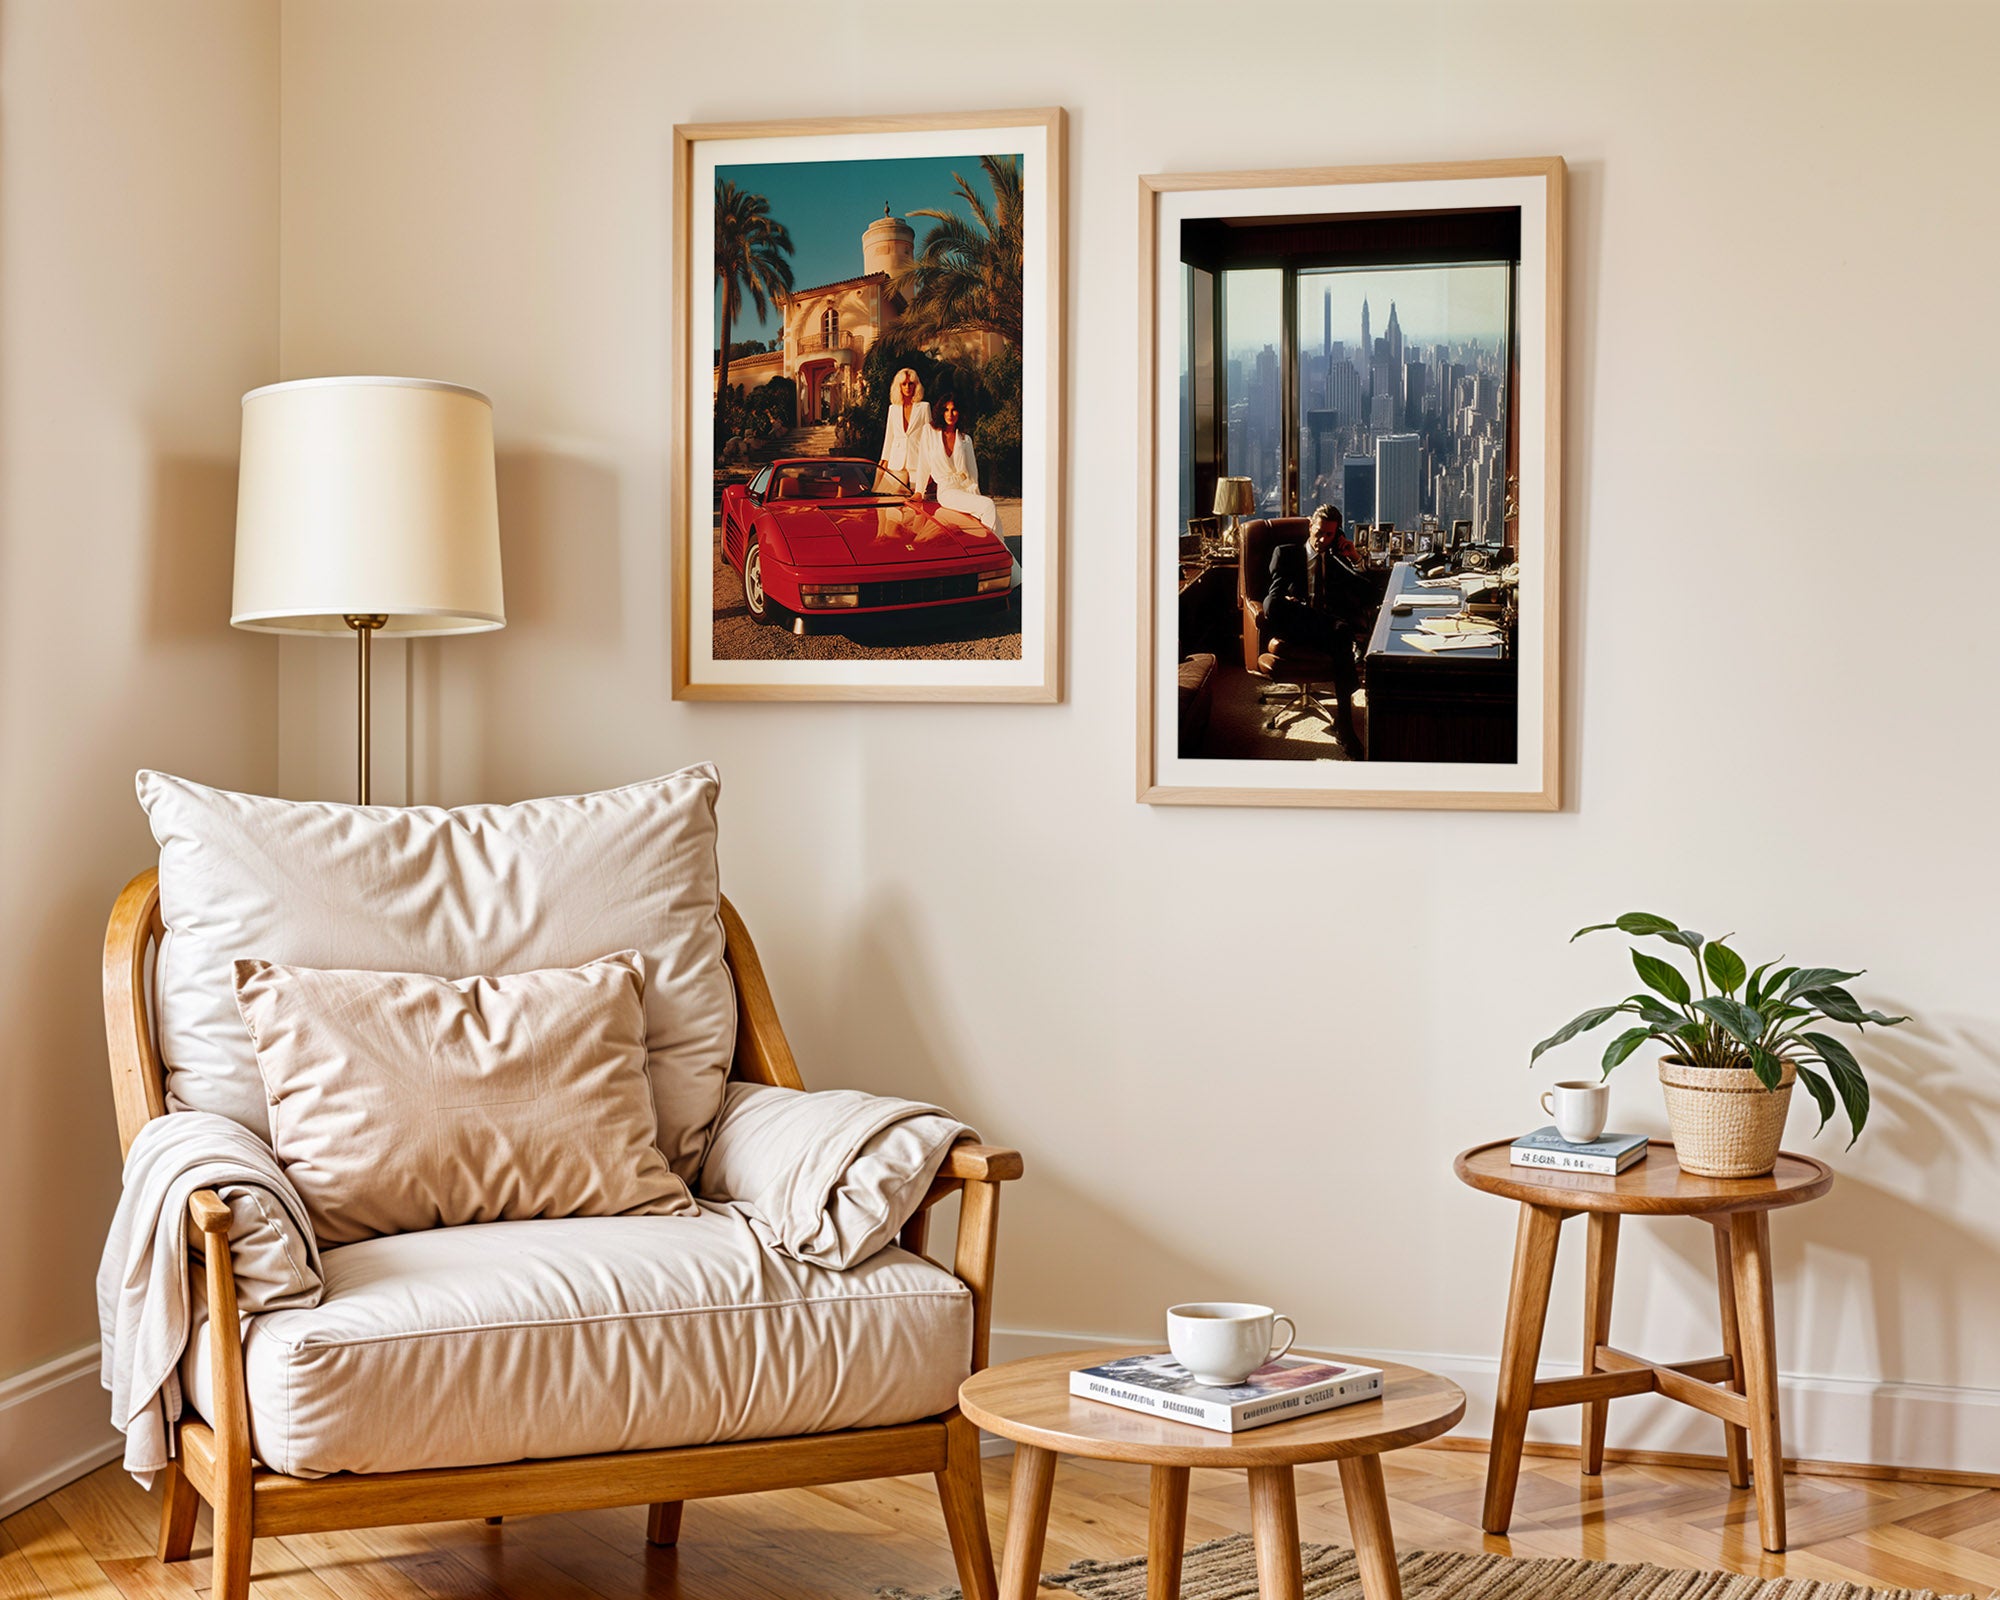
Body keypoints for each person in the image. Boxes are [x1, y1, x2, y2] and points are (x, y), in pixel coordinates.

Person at [1260, 503, 1371, 753]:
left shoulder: (1335, 560)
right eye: (1318, 532)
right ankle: (1344, 725)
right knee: (1275, 605)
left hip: (1327, 629)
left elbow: (1369, 591)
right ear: (1310, 526)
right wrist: (1295, 605)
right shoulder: (1286, 553)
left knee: (1340, 633)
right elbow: (1273, 600)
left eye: (1329, 535)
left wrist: (1354, 556)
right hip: (1297, 625)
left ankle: (1345, 726)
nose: (1322, 539)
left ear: (1337, 535)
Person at [916, 395, 998, 533]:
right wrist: (919, 491)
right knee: (988, 505)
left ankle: (1000, 552)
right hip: (947, 490)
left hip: (966, 489)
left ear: (960, 412)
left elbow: (972, 473)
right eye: (946, 410)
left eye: (954, 410)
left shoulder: (965, 439)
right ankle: (990, 548)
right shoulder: (929, 431)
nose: (950, 414)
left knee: (993, 517)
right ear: (941, 412)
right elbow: (923, 463)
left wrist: (976, 495)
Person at [878, 367, 931, 493]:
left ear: (916, 386)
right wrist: (884, 459)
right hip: (896, 460)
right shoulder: (893, 409)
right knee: (893, 502)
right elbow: (889, 436)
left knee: (919, 498)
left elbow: (929, 437)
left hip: (918, 460)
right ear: (899, 387)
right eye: (904, 384)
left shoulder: (924, 407)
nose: (907, 387)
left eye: (911, 384)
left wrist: (930, 463)